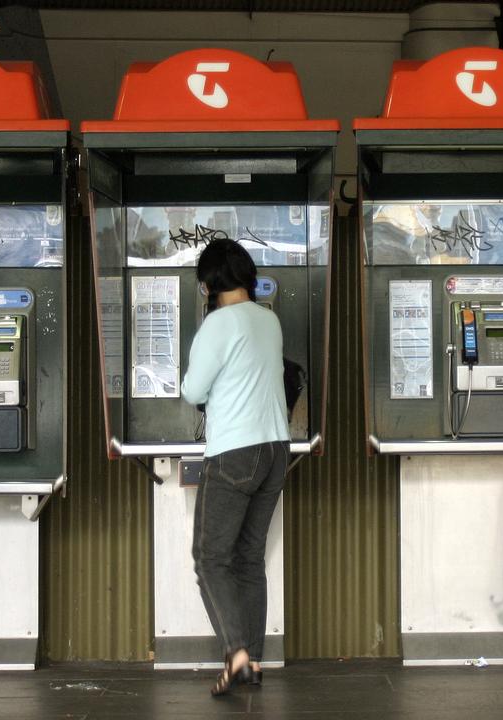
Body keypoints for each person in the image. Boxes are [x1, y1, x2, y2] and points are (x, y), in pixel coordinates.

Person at [180, 238, 290, 697]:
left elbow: (192, 390)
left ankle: (237, 654)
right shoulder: (269, 319)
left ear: (208, 284)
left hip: (235, 452)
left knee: (210, 559)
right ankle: (256, 659)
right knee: (248, 559)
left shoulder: (219, 325)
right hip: (275, 449)